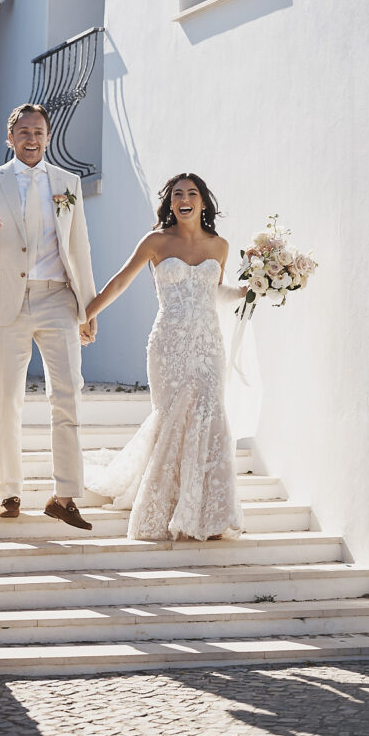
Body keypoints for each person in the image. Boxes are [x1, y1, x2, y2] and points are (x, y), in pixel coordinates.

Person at [0, 103, 96, 530]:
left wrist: (88, 309)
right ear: (10, 138)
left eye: (38, 132)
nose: (31, 139)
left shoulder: (67, 182)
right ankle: (9, 492)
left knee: (68, 392)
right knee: (6, 397)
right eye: (23, 132)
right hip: (6, 302)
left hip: (57, 299)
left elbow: (81, 249)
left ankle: (66, 495)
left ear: (48, 136)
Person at [84, 173, 246, 542]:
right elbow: (122, 280)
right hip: (168, 345)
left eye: (192, 193)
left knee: (209, 415)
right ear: (170, 203)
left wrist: (247, 291)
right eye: (177, 194)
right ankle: (169, 505)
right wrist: (90, 312)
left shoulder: (219, 245)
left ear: (203, 202)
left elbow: (214, 292)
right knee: (173, 416)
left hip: (208, 347)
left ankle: (209, 512)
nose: (184, 199)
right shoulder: (156, 240)